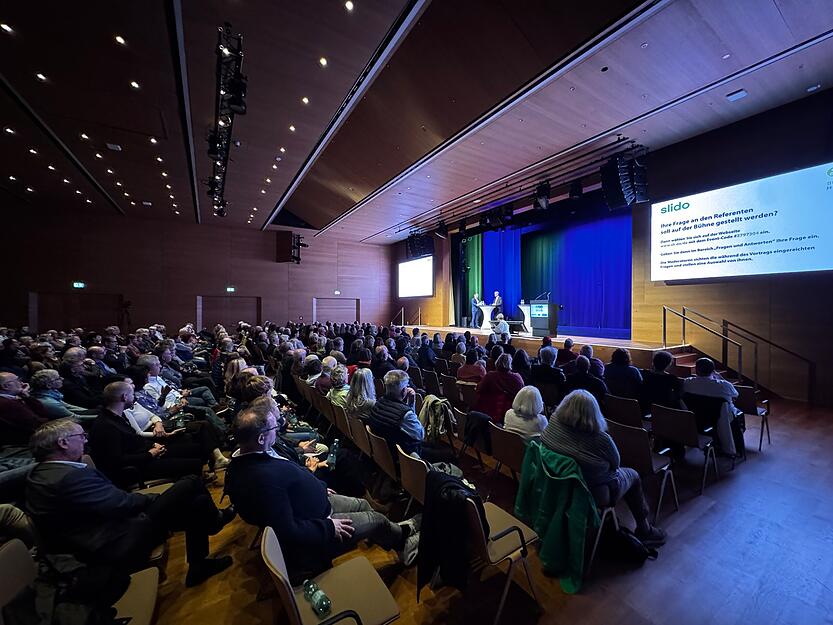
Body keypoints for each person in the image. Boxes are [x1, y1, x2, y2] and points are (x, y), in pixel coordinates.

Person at [25, 418, 235, 586]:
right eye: (81, 436)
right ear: (63, 443)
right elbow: (121, 504)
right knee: (190, 483)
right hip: (113, 542)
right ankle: (215, 521)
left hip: (106, 530)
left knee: (196, 501)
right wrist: (157, 499)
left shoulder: (43, 473)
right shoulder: (69, 478)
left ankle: (199, 566)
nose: (86, 440)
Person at [224, 407, 419, 583]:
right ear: (260, 438)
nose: (277, 429)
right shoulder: (261, 479)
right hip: (319, 525)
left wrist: (317, 486)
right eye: (273, 428)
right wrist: (328, 527)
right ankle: (403, 539)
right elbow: (287, 530)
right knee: (376, 520)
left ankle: (394, 538)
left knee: (362, 504)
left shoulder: (249, 456)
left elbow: (290, 482)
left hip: (319, 502)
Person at [541, 390, 666, 546]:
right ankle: (644, 529)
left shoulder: (553, 422)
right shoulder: (601, 439)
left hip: (558, 484)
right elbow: (616, 464)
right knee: (633, 475)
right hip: (594, 493)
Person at [89, 381, 210, 486]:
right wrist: (150, 454)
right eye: (132, 394)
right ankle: (194, 485)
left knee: (195, 448)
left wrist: (152, 446)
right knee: (193, 462)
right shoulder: (106, 426)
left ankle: (199, 478)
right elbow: (117, 460)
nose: (134, 397)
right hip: (137, 466)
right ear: (124, 397)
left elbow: (135, 438)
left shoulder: (118, 415)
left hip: (145, 453)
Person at [682, 358, 739, 456]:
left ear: (696, 370)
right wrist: (720, 377)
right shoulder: (723, 385)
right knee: (736, 411)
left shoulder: (687, 382)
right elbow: (735, 394)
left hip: (696, 417)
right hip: (720, 419)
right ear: (713, 371)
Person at [368, 370, 424, 456]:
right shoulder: (405, 414)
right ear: (403, 391)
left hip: (384, 454)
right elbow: (420, 435)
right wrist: (411, 403)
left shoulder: (377, 404)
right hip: (405, 456)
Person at [0, 372, 50, 445]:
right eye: (17, 380)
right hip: (28, 442)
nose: (22, 383)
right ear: (6, 386)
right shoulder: (8, 404)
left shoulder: (10, 399)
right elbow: (38, 423)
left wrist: (26, 396)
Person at [475, 354, 524, 423]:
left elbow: (479, 389)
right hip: (510, 415)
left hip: (489, 412)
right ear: (510, 364)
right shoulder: (517, 378)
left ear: (497, 362)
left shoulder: (490, 376)